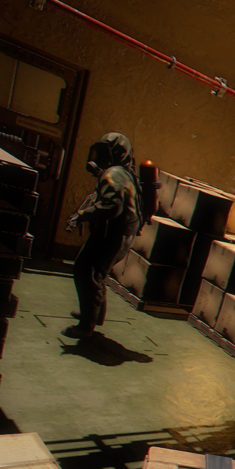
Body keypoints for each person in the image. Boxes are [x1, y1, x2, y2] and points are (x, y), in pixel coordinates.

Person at [64, 132, 141, 338]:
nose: (98, 157)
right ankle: (94, 314)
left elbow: (111, 207)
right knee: (96, 274)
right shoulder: (123, 172)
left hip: (112, 235)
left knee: (86, 272)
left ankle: (85, 325)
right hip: (119, 234)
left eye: (103, 152)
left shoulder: (113, 174)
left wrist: (83, 214)